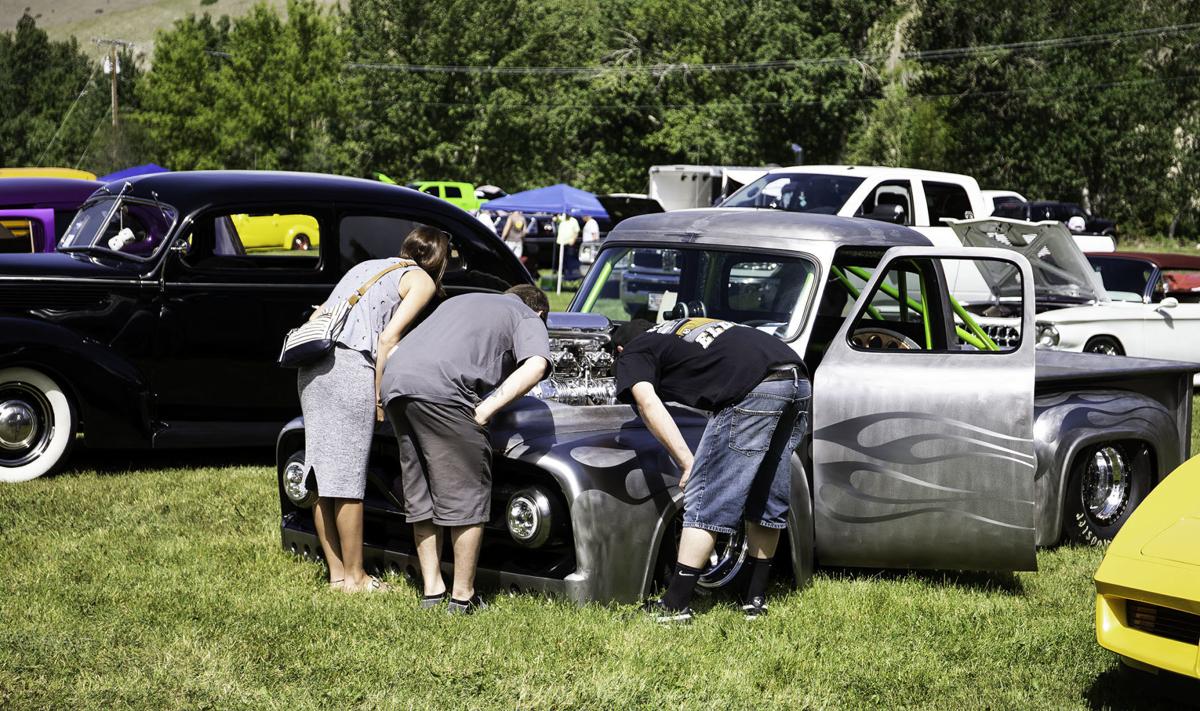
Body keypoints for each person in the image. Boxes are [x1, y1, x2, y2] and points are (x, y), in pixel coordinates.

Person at [610, 317, 810, 623]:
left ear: (620, 350)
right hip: (797, 378)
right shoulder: (676, 330)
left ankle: (675, 605)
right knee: (767, 492)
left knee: (705, 496)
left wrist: (688, 463)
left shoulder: (634, 350)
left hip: (754, 386)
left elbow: (648, 404)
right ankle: (755, 601)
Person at [381, 284, 551, 613]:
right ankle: (463, 597)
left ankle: (432, 591)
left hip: (396, 383)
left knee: (422, 491)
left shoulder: (461, 302)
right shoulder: (527, 315)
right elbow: (536, 366)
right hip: (443, 390)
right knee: (467, 495)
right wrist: (486, 410)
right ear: (541, 312)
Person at [297, 226, 449, 593]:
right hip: (350, 369)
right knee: (348, 479)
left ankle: (338, 576)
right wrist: (380, 396)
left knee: (322, 475)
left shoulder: (366, 267)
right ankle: (357, 577)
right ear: (439, 259)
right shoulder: (421, 280)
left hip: (313, 367)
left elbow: (320, 315)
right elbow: (387, 338)